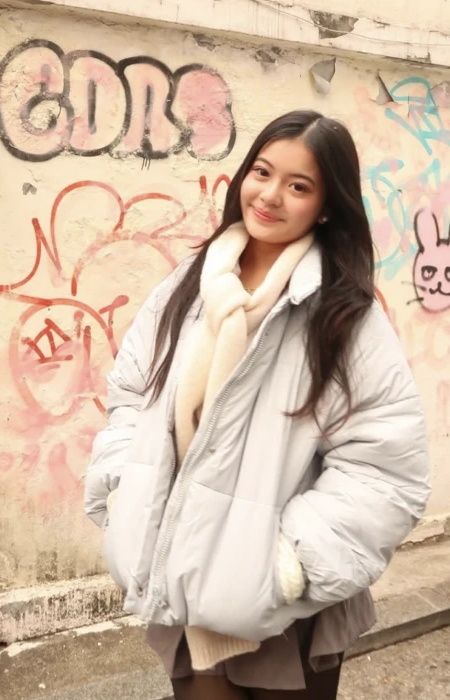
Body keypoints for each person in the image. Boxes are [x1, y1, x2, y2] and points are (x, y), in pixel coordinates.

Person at [84, 110, 430, 699]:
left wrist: (285, 566)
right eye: (262, 172)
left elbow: (386, 469)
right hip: (184, 584)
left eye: (298, 185)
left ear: (327, 206)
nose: (269, 196)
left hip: (283, 605)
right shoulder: (190, 286)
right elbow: (131, 396)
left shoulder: (343, 313)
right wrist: (124, 490)